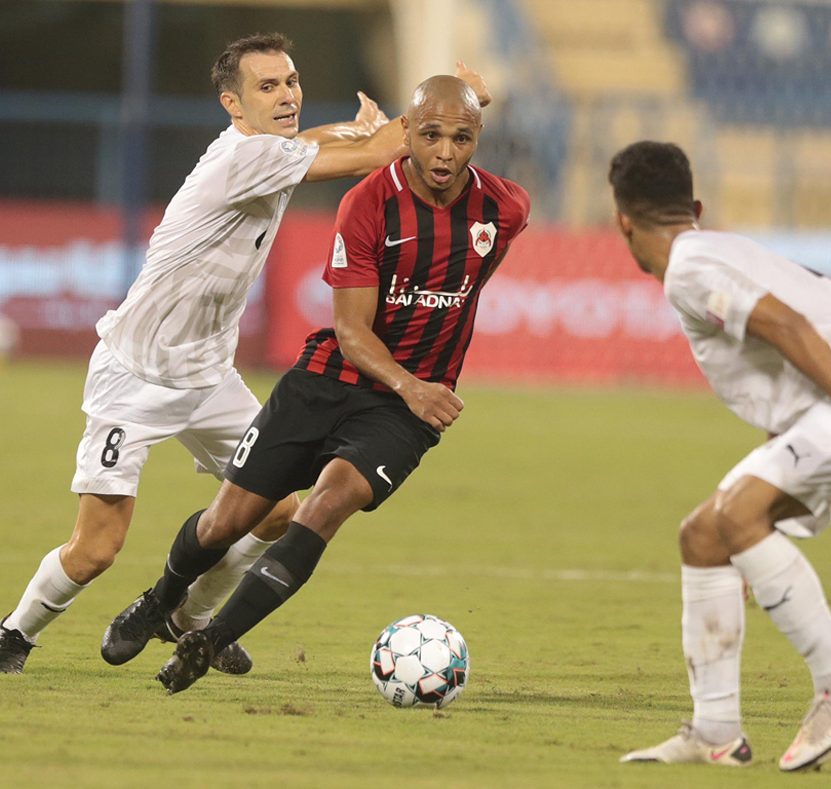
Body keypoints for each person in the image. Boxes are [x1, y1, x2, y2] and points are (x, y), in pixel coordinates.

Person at [0, 31, 416, 675]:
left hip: (209, 377)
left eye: (291, 81)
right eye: (268, 87)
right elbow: (374, 154)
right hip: (135, 375)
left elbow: (314, 143)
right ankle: (15, 633)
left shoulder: (268, 147)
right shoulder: (243, 160)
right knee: (97, 548)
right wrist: (446, 110)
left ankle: (190, 616)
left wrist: (348, 128)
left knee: (273, 515)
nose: (288, 94)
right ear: (232, 105)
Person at [100, 73, 530, 695]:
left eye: (461, 138)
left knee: (327, 506)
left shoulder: (505, 208)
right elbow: (352, 333)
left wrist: (414, 393)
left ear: (477, 138)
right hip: (329, 381)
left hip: (402, 412)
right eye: (429, 135)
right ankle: (160, 600)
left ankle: (208, 640)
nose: (444, 153)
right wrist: (414, 385)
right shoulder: (366, 205)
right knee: (226, 522)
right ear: (404, 132)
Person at [608, 142, 831, 772]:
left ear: (622, 219)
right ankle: (714, 732)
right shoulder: (714, 248)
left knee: (737, 517)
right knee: (705, 535)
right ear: (695, 207)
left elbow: (789, 328)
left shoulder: (690, 269)